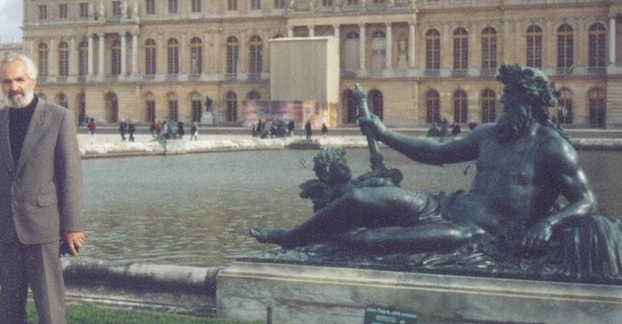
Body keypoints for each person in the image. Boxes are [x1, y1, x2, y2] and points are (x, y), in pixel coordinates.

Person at [250, 65, 599, 257]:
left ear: (529, 103)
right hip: (446, 206)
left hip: (476, 232)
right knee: (358, 197)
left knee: (373, 241)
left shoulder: (553, 148)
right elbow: (436, 152)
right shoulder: (491, 134)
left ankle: (319, 249)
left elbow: (587, 202)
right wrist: (385, 134)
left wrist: (550, 224)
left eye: (509, 101)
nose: (503, 106)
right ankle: (291, 238)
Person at [0, 54, 85, 324]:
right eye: (7, 82)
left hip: (44, 224)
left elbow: (70, 175)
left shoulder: (58, 118)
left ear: (33, 81)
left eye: (19, 80)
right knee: (9, 305)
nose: (14, 87)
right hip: (5, 225)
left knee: (49, 305)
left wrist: (72, 225)